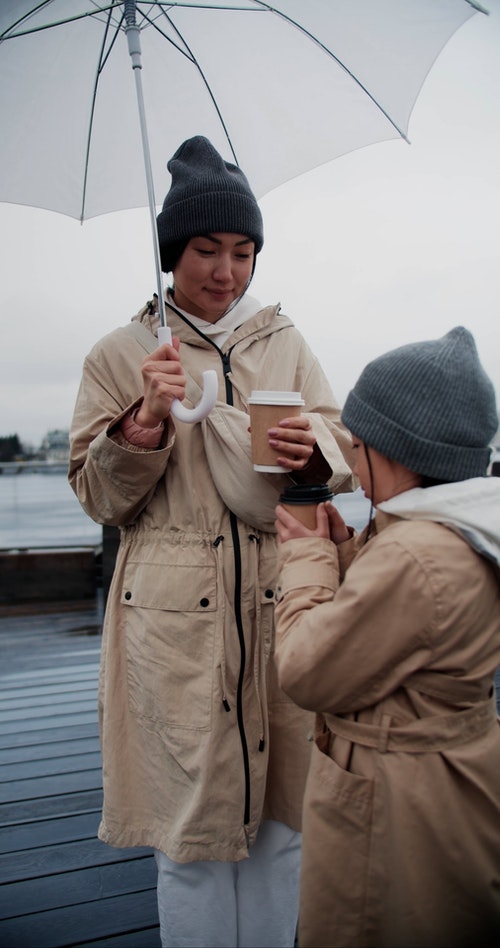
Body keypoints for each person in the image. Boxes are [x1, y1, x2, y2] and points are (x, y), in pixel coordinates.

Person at [69, 135, 355, 948]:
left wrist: (317, 453)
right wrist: (143, 422)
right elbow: (97, 495)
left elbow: (340, 445)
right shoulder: (121, 353)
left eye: (243, 251)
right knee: (190, 840)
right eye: (205, 250)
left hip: (280, 603)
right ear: (172, 253)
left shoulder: (286, 342)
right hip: (172, 622)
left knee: (280, 829)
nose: (225, 271)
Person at [274, 326, 500, 948]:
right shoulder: (463, 528)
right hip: (448, 789)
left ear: (398, 450)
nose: (351, 452)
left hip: (396, 813)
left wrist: (310, 560)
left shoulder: (418, 555)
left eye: (360, 441)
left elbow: (304, 669)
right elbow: (409, 631)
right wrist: (349, 555)